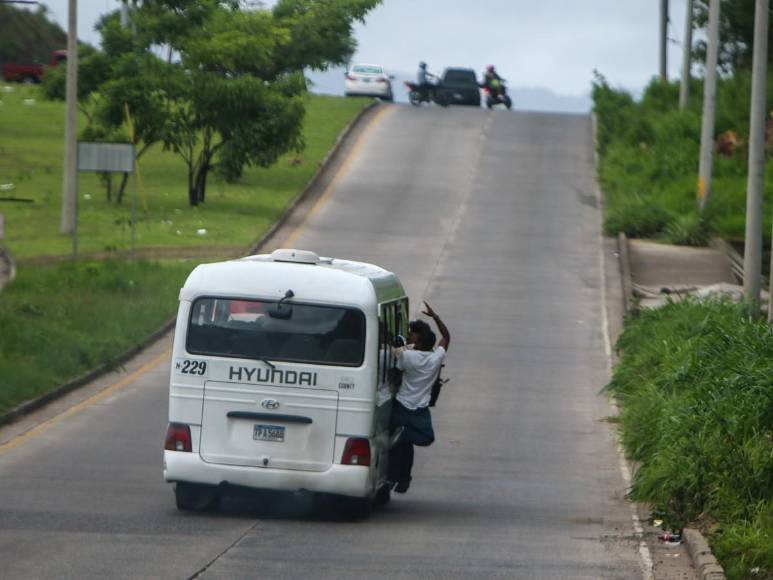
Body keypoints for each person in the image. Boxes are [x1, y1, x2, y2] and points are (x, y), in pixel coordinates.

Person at [387, 301, 450, 494]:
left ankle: (394, 476)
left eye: (412, 334)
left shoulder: (407, 357)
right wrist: (436, 317)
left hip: (401, 406)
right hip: (419, 410)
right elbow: (446, 337)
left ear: (419, 341)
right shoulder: (435, 359)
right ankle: (404, 478)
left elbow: (395, 371)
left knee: (397, 443)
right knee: (417, 441)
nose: (409, 336)